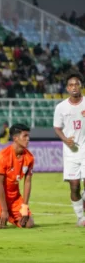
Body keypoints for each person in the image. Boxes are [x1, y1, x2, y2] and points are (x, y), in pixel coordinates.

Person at [53, 73, 85, 226]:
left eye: (76, 84)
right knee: (75, 186)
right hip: (70, 153)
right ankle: (80, 217)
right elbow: (57, 128)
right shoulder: (61, 107)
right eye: (71, 85)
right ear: (67, 88)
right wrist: (66, 140)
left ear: (81, 87)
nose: (74, 87)